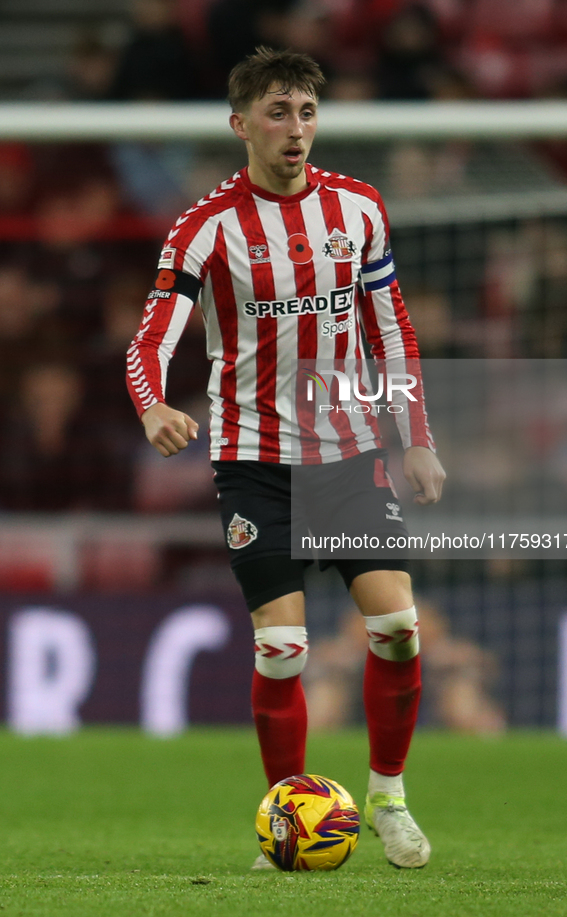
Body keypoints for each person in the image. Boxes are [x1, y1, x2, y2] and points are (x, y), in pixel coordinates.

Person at [126, 46, 445, 870]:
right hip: (253, 460)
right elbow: (152, 336)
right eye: (277, 113)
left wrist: (416, 438)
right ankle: (287, 818)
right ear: (240, 125)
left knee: (398, 628)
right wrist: (153, 402)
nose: (295, 129)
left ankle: (387, 799)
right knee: (284, 649)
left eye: (306, 112)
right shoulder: (206, 227)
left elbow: (392, 330)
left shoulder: (359, 209)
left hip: (347, 453)